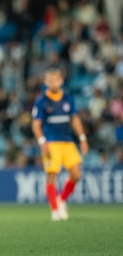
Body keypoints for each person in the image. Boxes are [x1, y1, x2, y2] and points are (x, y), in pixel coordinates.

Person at [32, 68, 89, 221]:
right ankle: (55, 210)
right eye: (50, 80)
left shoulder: (68, 98)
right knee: (52, 176)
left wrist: (82, 138)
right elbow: (36, 124)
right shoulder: (41, 101)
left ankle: (61, 199)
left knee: (76, 174)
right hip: (51, 143)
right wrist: (42, 142)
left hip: (68, 142)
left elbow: (75, 119)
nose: (53, 82)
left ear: (61, 81)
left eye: (56, 79)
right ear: (45, 82)